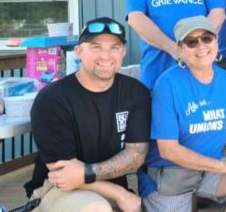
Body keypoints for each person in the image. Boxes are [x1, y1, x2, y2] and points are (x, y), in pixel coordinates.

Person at [138, 15, 226, 211]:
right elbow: (168, 150)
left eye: (207, 38)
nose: (201, 46)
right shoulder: (167, 84)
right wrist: (225, 166)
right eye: (191, 42)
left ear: (216, 41)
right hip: (172, 174)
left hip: (211, 169)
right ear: (180, 49)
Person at [25, 17, 151, 212]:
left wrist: (87, 172)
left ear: (124, 52)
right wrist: (120, 194)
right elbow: (63, 174)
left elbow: (137, 154)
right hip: (56, 188)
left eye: (114, 47)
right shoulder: (52, 99)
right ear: (79, 52)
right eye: (95, 47)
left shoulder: (136, 93)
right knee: (97, 209)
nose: (105, 56)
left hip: (106, 185)